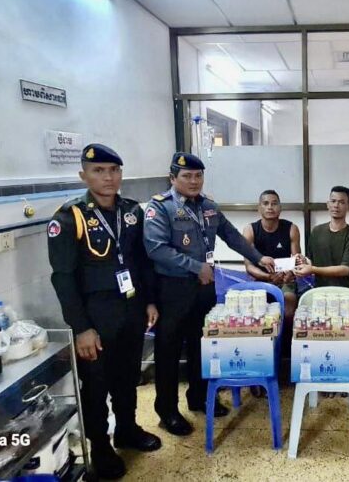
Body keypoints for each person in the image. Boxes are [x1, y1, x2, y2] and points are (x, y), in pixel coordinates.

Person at [48, 144, 161, 480]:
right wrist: (81, 328)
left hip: (131, 308)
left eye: (114, 170)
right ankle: (100, 446)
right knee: (96, 384)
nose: (108, 177)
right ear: (83, 175)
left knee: (128, 375)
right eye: (99, 171)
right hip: (95, 316)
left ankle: (127, 428)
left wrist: (149, 301)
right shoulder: (69, 218)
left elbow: (141, 262)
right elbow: (63, 278)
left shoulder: (131, 211)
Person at [143, 152, 275, 436]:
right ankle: (167, 411)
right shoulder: (160, 208)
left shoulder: (208, 206)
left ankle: (199, 397)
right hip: (173, 289)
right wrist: (196, 267)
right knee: (168, 351)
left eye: (198, 175)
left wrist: (259, 257)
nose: (194, 181)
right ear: (172, 178)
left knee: (201, 345)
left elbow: (232, 236)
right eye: (187, 176)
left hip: (204, 288)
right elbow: (156, 249)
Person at [294, 186, 349, 352]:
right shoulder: (317, 232)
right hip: (320, 293)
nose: (336, 205)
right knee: (300, 325)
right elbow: (311, 260)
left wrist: (312, 269)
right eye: (333, 201)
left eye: (341, 202)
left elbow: (345, 269)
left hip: (348, 293)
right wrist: (303, 261)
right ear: (327, 204)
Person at [243, 189, 301, 337]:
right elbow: (249, 266)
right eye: (266, 203)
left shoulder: (291, 229)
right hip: (259, 280)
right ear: (259, 208)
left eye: (274, 204)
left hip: (285, 280)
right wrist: (268, 277)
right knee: (253, 311)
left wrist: (290, 273)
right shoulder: (250, 230)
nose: (270, 207)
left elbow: (297, 260)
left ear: (280, 208)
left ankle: (285, 346)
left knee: (288, 306)